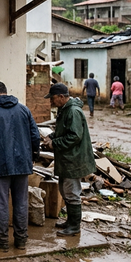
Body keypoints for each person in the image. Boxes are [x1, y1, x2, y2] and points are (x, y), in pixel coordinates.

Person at [0, 81, 40, 251]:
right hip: (22, 164)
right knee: (21, 203)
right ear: (6, 92)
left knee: (1, 204)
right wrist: (34, 156)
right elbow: (35, 135)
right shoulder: (24, 110)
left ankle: (1, 241)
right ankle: (21, 241)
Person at [41, 83, 96, 236]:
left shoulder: (73, 111)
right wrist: (51, 136)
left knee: (72, 192)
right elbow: (63, 130)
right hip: (67, 159)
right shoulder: (64, 110)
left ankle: (74, 226)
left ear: (61, 97)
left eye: (52, 99)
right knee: (65, 190)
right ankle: (70, 222)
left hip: (74, 159)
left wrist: (54, 143)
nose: (51, 102)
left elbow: (74, 136)